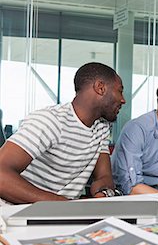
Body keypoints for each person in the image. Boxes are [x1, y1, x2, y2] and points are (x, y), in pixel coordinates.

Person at [0, 62, 126, 204]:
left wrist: (103, 194)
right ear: (100, 88)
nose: (123, 100)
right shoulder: (50, 120)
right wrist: (64, 206)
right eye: (120, 91)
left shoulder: (101, 127)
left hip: (61, 215)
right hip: (15, 213)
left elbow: (103, 177)